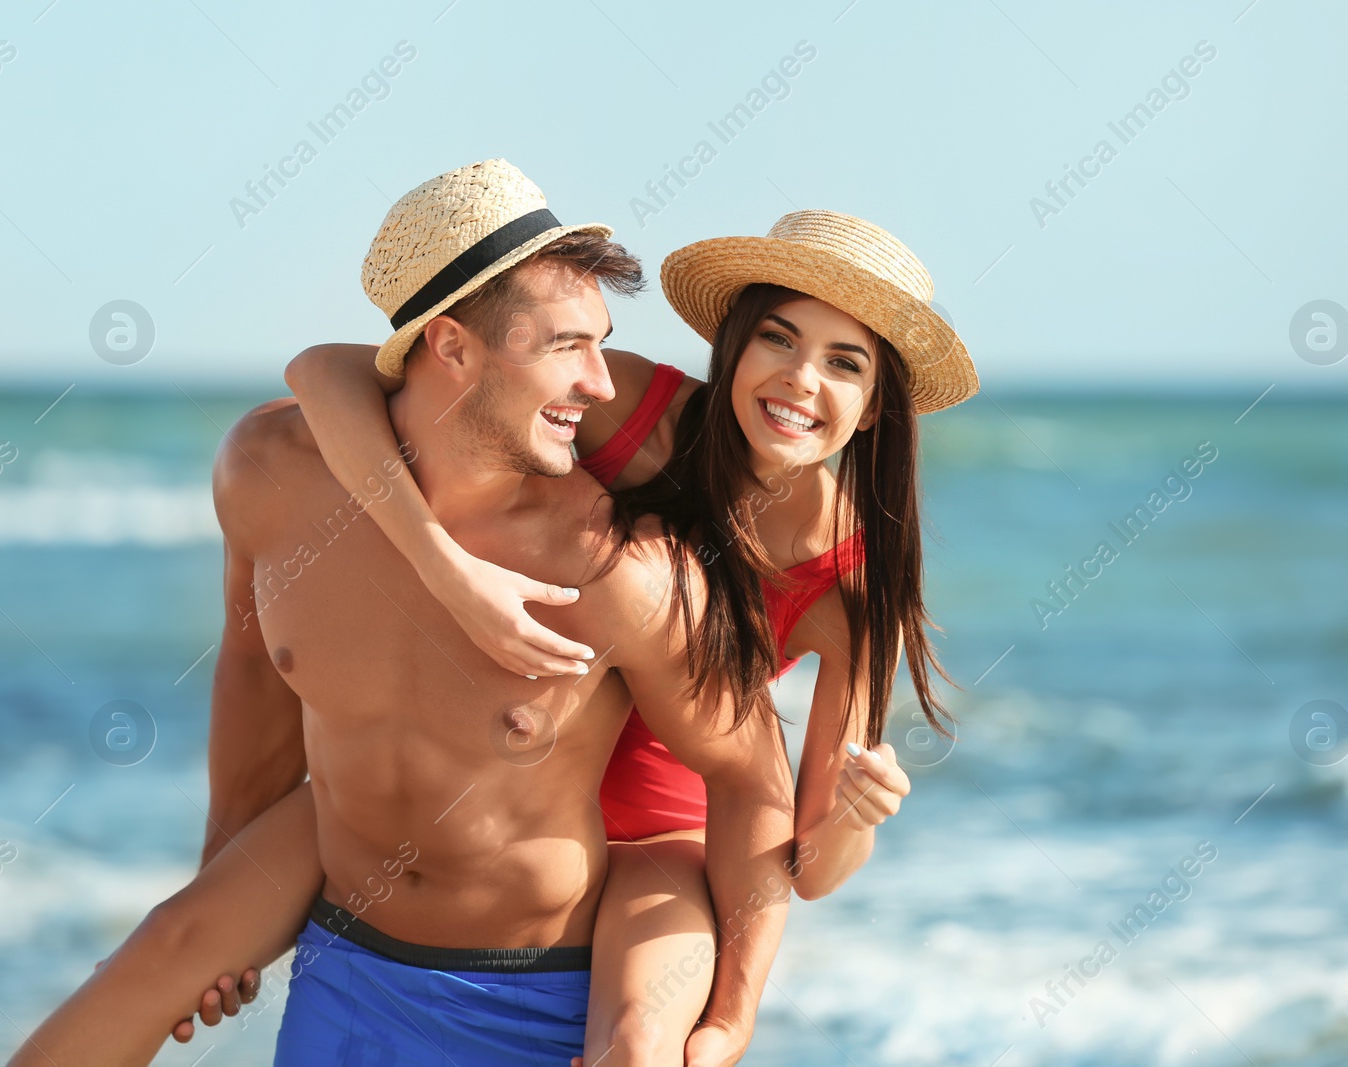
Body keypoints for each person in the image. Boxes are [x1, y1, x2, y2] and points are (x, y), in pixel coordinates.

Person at [9, 159, 795, 1067]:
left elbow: (752, 782)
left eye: (602, 342)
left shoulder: (616, 570)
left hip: (535, 1000)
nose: (602, 383)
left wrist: (725, 1024)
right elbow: (258, 669)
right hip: (347, 971)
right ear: (453, 346)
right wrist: (221, 884)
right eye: (566, 346)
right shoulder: (270, 471)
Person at [184, 206, 983, 1062]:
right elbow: (327, 371)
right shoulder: (635, 411)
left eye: (844, 363)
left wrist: (858, 819)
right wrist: (445, 568)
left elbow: (811, 862)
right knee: (177, 946)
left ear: (871, 409)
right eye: (779, 340)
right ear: (736, 343)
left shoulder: (852, 579)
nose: (800, 380)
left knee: (641, 1044)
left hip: (656, 845)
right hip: (496, 792)